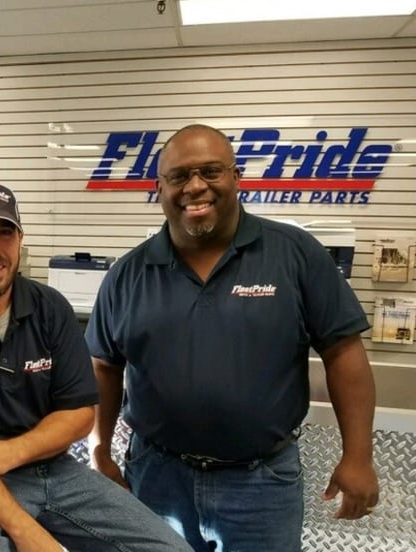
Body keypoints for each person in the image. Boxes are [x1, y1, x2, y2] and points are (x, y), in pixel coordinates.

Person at [86, 124, 380, 552]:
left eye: (210, 171)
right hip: (155, 479)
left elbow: (344, 353)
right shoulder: (127, 274)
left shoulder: (295, 254)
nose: (195, 186)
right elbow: (104, 367)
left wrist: (358, 456)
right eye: (179, 176)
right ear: (159, 187)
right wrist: (99, 452)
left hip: (261, 486)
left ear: (236, 177)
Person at [0, 182, 192, 552]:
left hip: (57, 472)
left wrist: (10, 452)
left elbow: (79, 415)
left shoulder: (51, 309)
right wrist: (28, 531)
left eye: (4, 233)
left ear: (20, 240)